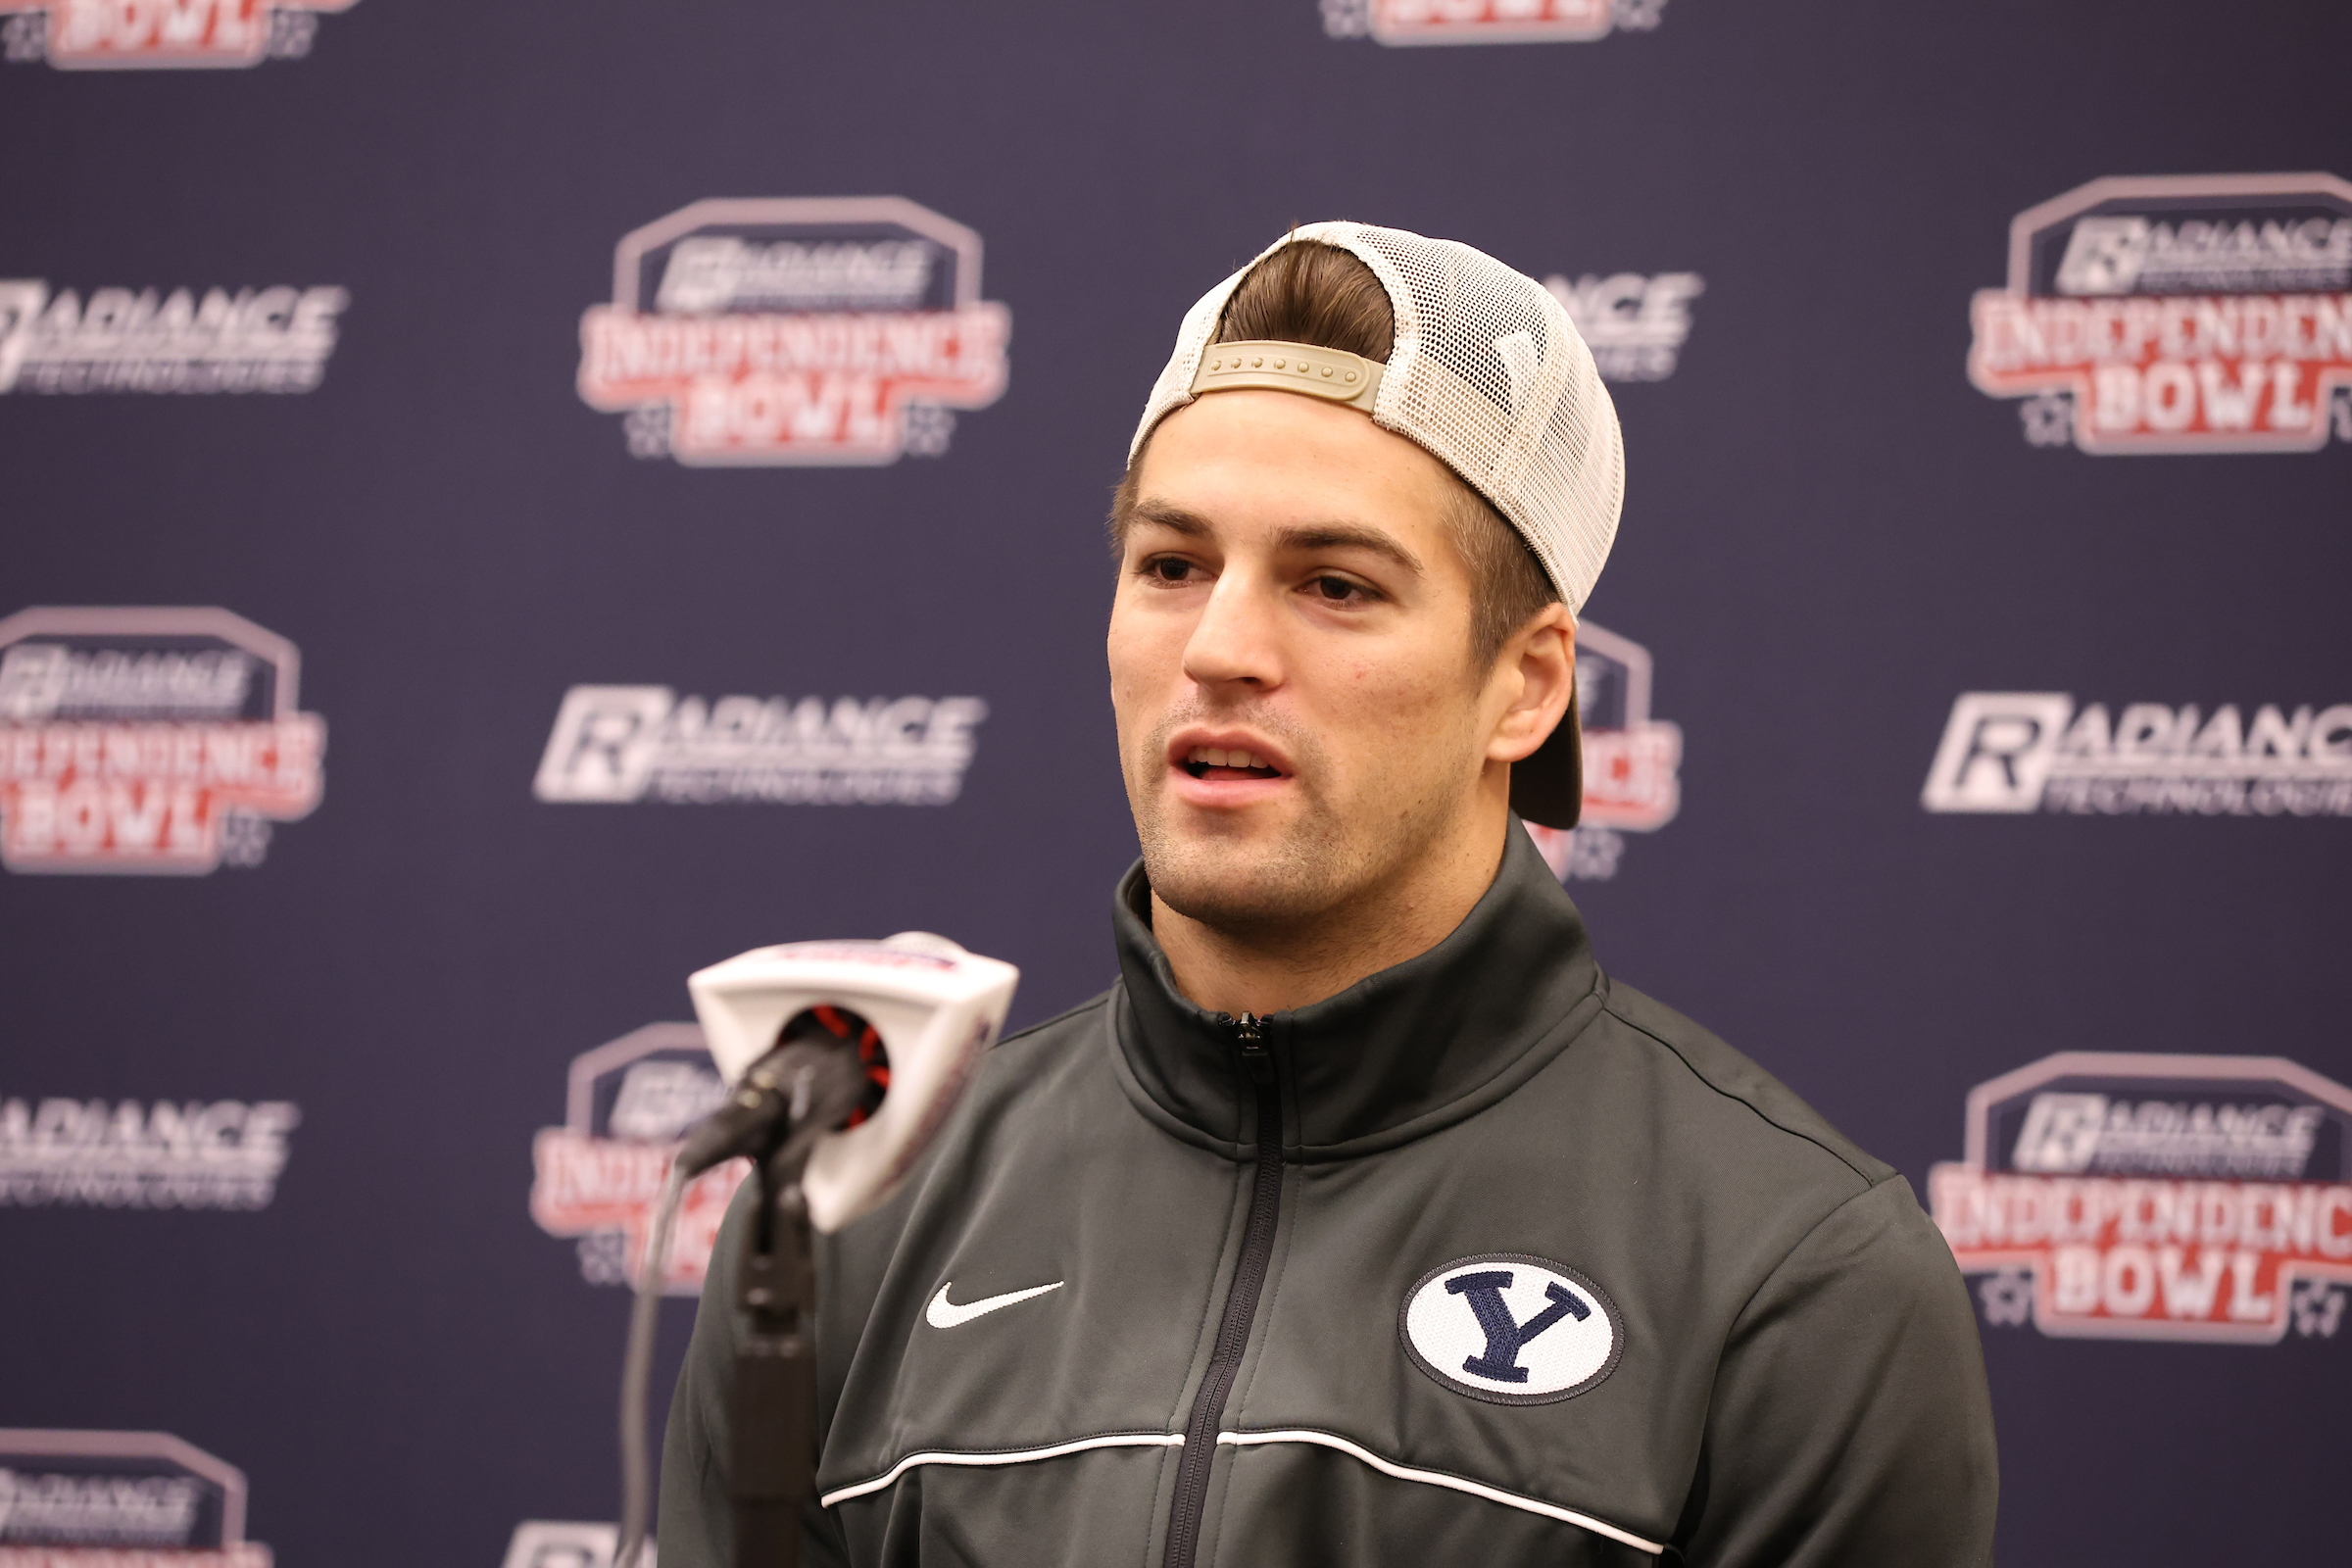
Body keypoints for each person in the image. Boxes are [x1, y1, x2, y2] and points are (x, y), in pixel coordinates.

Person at [661, 222, 1998, 1567]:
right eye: (1173, 566)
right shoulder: (851, 1215)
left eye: (1336, 585)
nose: (1222, 649)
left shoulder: (1795, 1276)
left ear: (1526, 686)